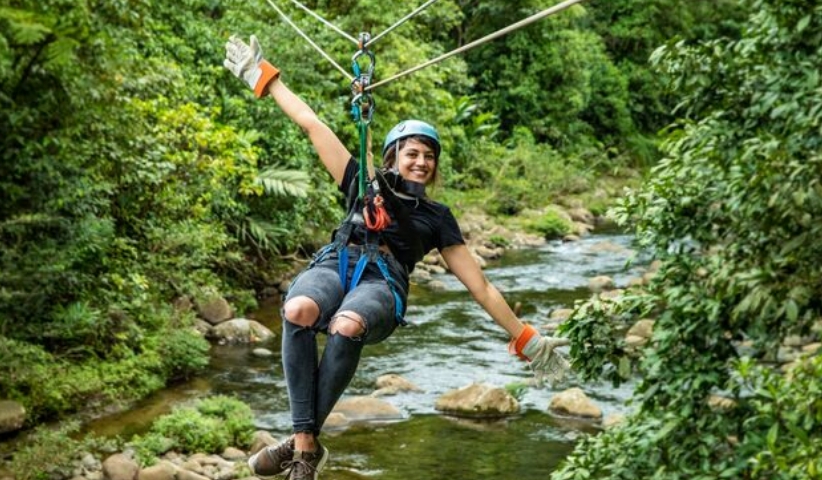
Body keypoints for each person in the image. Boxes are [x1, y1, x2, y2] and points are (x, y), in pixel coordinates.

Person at [224, 34, 569, 480]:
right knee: (297, 309)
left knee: (347, 326)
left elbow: (479, 286)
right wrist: (264, 78)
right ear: (393, 158)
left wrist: (526, 339)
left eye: (428, 156)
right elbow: (311, 124)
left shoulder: (437, 217)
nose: (421, 162)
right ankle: (307, 444)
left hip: (382, 285)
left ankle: (300, 444)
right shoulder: (361, 182)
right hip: (336, 264)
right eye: (412, 154)